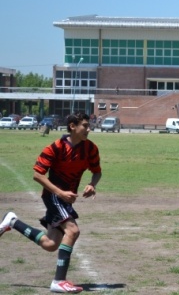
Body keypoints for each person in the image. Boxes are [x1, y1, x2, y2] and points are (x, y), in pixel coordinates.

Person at [0, 112, 102, 293]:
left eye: (88, 126)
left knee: (50, 244)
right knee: (73, 230)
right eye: (85, 125)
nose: (88, 129)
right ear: (72, 126)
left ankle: (13, 221)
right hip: (53, 196)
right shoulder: (55, 147)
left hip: (66, 199)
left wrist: (91, 184)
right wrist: (60, 192)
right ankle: (59, 281)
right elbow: (37, 174)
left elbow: (97, 171)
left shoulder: (91, 149)